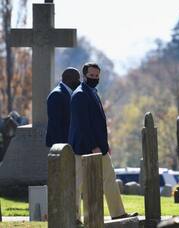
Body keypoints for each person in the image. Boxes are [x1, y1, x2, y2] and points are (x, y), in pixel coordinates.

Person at [68, 62, 137, 222]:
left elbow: (98, 124)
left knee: (109, 178)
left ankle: (118, 213)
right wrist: (94, 146)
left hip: (99, 148)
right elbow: (83, 124)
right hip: (83, 147)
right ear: (84, 76)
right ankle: (74, 217)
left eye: (97, 76)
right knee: (77, 184)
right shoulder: (80, 94)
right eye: (91, 76)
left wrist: (104, 145)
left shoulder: (92, 92)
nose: (94, 78)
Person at [46, 67, 80, 147]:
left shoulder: (70, 93)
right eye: (77, 79)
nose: (79, 82)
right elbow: (55, 124)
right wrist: (61, 147)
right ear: (68, 79)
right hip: (60, 145)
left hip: (69, 143)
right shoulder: (56, 94)